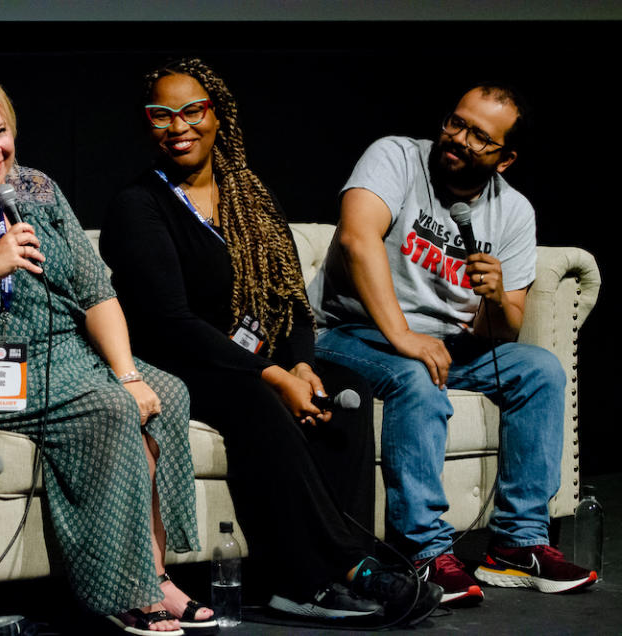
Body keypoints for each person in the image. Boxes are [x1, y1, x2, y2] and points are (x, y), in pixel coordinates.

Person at [0, 64, 213, 636]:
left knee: (164, 392)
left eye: (0, 131)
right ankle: (124, 593)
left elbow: (96, 291)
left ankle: (157, 575)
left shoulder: (35, 189)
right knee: (110, 409)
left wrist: (126, 372)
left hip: (69, 352)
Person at [100, 57, 442, 625]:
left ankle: (336, 574)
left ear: (219, 116)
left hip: (258, 359)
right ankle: (319, 578)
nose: (178, 126)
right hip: (181, 362)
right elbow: (172, 324)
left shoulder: (252, 199)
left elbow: (291, 304)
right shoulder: (138, 206)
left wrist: (304, 368)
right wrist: (276, 377)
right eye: (161, 115)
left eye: (192, 111)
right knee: (258, 403)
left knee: (346, 391)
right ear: (147, 125)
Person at [310, 83, 598, 606]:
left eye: (479, 137)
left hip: (444, 344)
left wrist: (492, 298)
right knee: (416, 376)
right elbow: (357, 238)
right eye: (456, 123)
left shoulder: (512, 212)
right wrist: (402, 335)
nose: (458, 139)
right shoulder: (396, 156)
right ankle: (421, 552)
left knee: (538, 369)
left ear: (505, 158)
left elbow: (501, 332)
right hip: (349, 333)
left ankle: (517, 544)